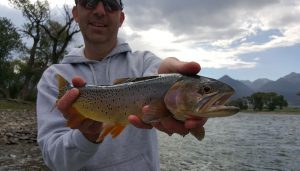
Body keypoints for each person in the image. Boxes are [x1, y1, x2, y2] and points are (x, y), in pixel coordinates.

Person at [36, 0, 207, 170]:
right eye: (89, 2)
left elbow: (158, 77)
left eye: (110, 4)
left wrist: (180, 96)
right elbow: (54, 160)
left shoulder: (144, 62)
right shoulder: (54, 78)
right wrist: (87, 135)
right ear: (75, 13)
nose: (100, 10)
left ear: (121, 18)